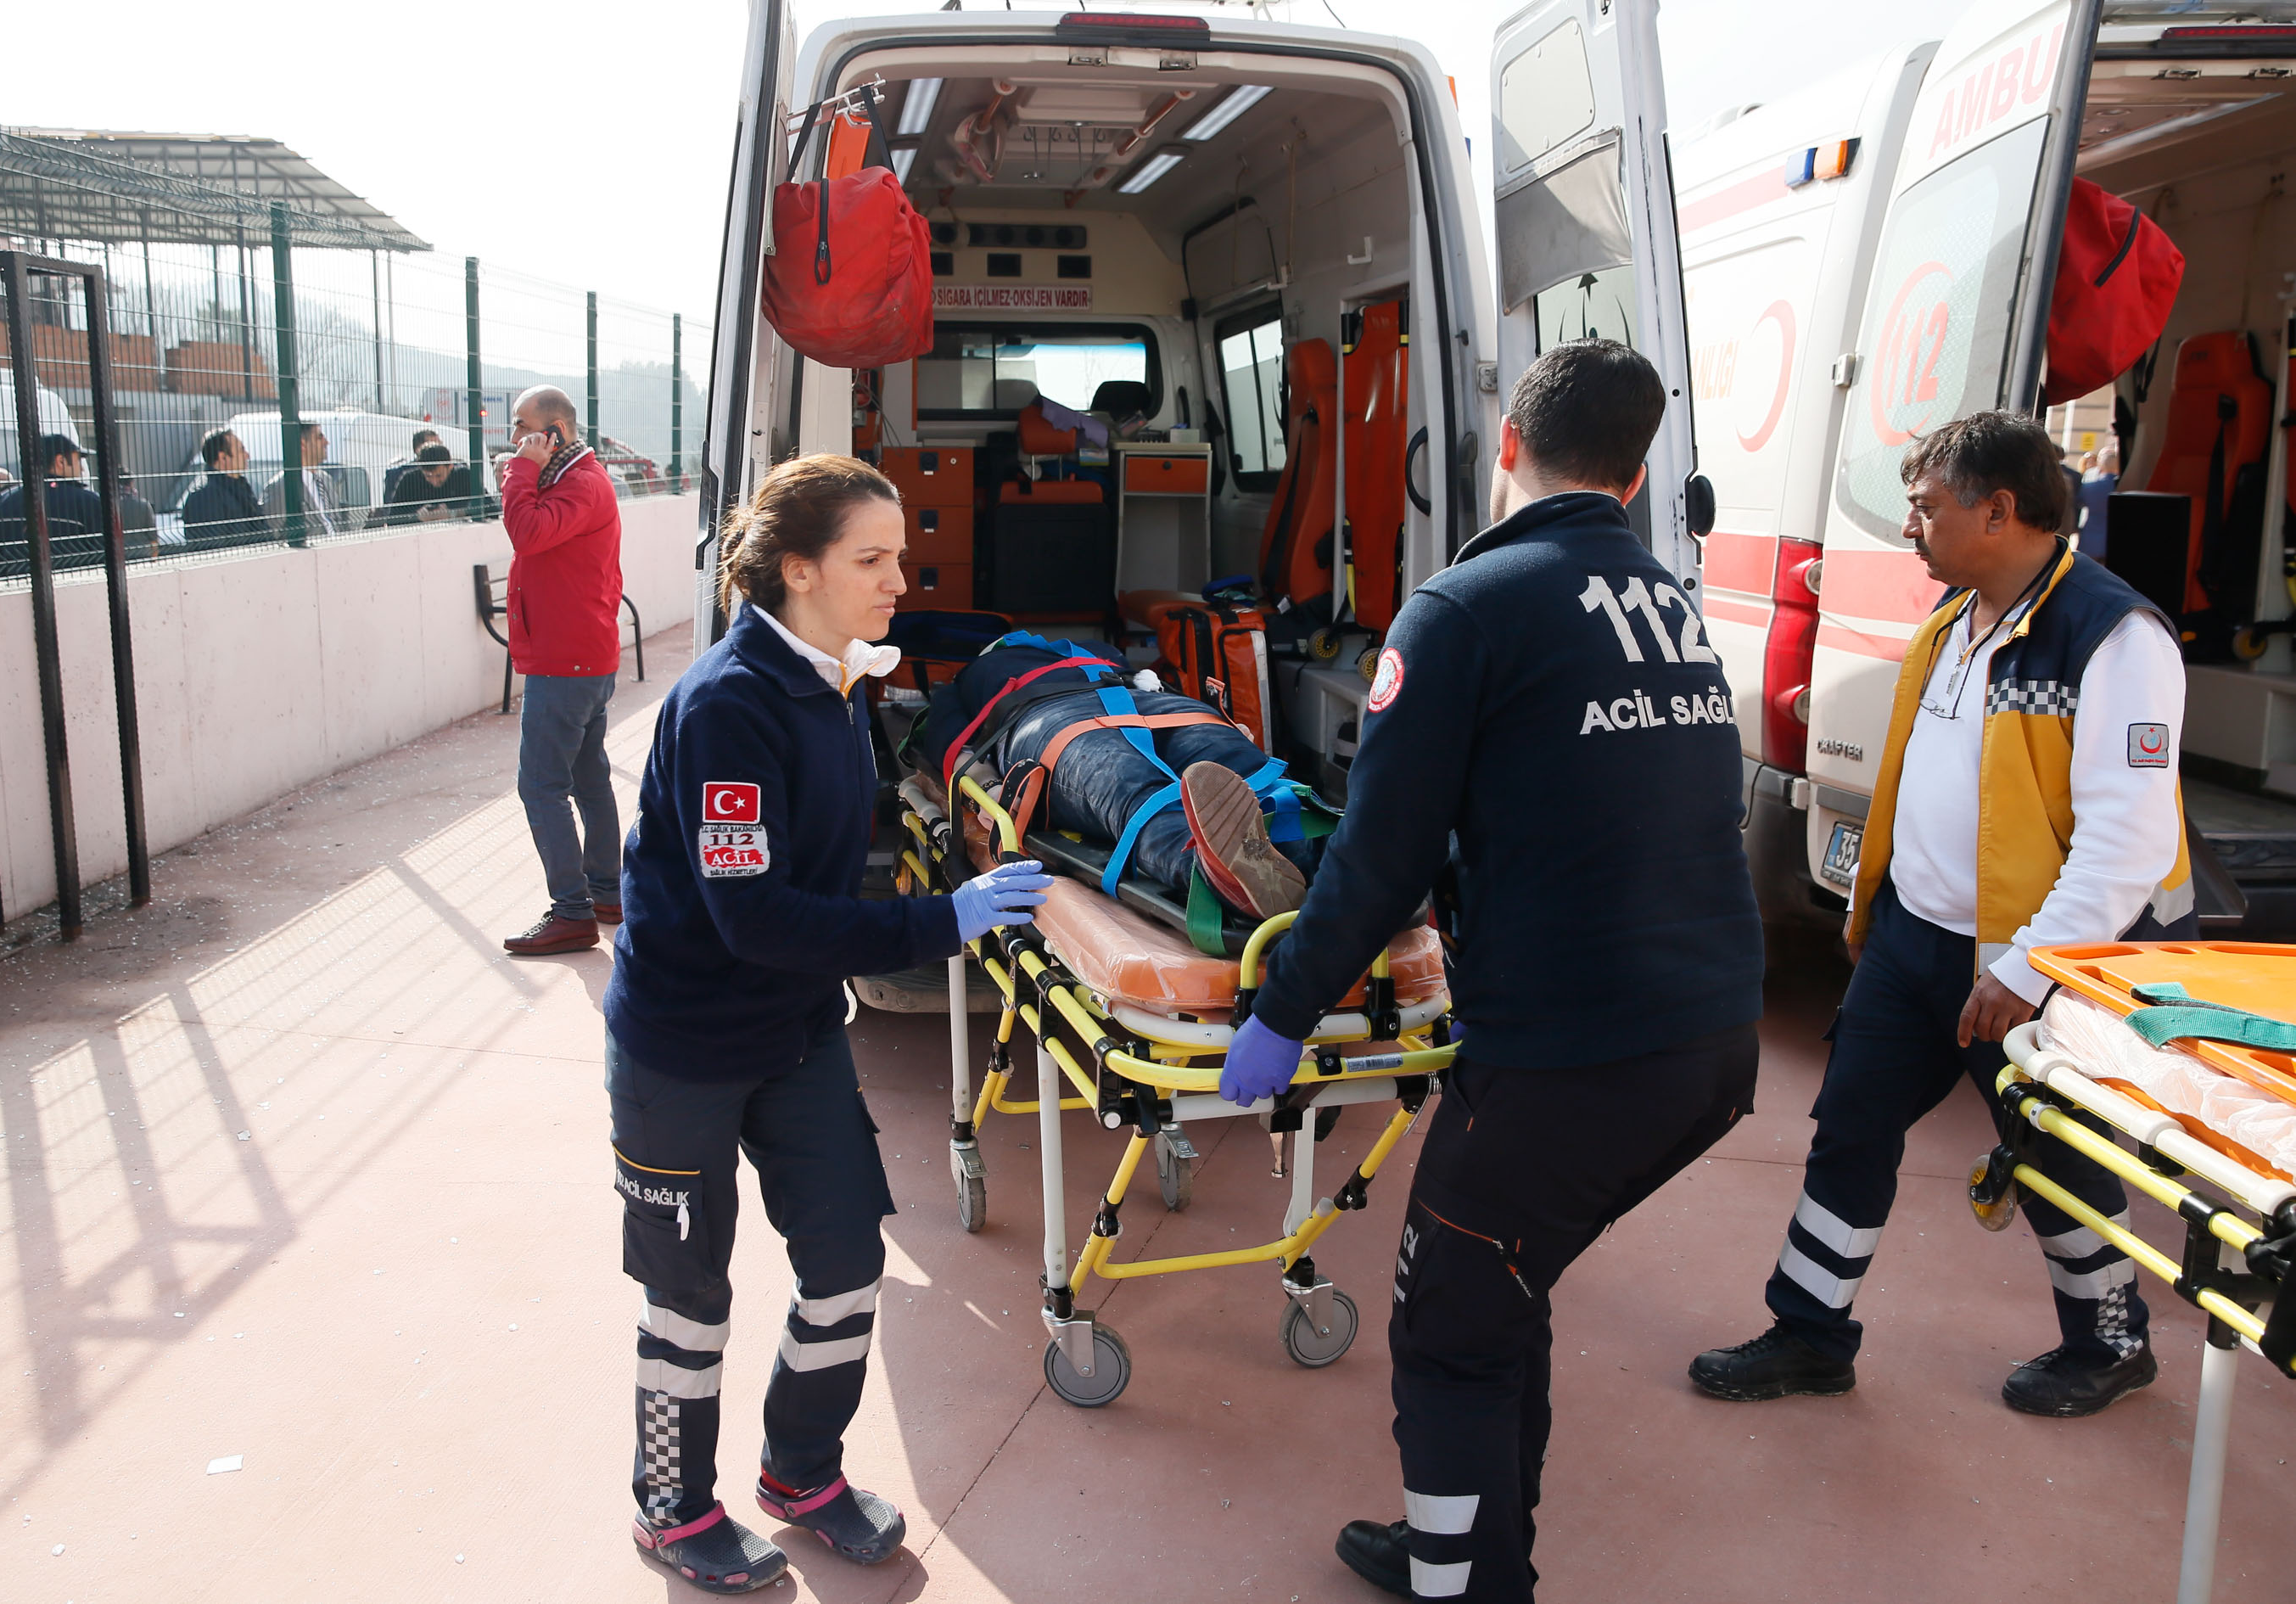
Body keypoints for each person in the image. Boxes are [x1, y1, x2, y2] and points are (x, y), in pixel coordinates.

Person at [1217, 339, 1766, 1604]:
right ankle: (1467, 1550)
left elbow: (1382, 857)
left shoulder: (1465, 607)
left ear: (1505, 445)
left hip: (1573, 1055)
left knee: (1449, 1325)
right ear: (1635, 479)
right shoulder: (1668, 604)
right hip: (1711, 1037)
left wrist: (1284, 1008)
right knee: (1501, 1284)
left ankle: (1463, 1582)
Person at [602, 453, 1050, 1593]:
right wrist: (942, 921)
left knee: (847, 1260)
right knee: (688, 1298)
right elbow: (752, 915)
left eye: (899, 555)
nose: (900, 579)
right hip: (683, 1046)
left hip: (794, 1032)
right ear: (797, 570)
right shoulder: (727, 706)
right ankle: (670, 1507)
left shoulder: (835, 680)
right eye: (872, 559)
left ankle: (799, 1471)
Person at [1690, 410, 2193, 1419]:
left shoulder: (2115, 640)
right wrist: (1875, 911)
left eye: (1924, 508)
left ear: (1998, 510)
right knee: (1852, 1125)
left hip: (2032, 963)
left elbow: (2127, 844)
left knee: (2050, 1153)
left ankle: (2112, 1342)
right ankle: (1811, 1333)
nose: (1909, 528)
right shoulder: (1955, 620)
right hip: (1915, 940)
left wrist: (2028, 969)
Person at [916, 631, 1322, 917]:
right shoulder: (1091, 649)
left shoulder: (975, 673)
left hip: (1064, 722)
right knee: (1244, 775)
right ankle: (1316, 854)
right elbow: (948, 742)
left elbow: (948, 742)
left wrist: (987, 786)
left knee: (1136, 794)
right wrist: (989, 789)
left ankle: (1229, 868)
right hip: (1150, 709)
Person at [500, 386, 629, 956]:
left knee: (540, 786)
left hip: (567, 663)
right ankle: (606, 894)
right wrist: (526, 474)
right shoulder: (571, 479)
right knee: (587, 780)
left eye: (522, 426)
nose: (514, 438)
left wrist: (520, 473)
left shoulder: (580, 484)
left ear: (552, 432)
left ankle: (573, 912)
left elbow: (526, 534)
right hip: (577, 656)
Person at [0, 434, 105, 579]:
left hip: (12, 582)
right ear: (61, 461)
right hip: (74, 581)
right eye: (78, 460)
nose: (82, 469)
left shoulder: (2, 501)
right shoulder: (88, 501)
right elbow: (103, 552)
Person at [182, 429, 269, 547]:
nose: (247, 456)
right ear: (223, 458)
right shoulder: (204, 498)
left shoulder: (241, 489)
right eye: (241, 450)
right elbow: (212, 548)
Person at [264, 421, 344, 537]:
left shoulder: (326, 479)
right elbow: (273, 533)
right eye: (319, 437)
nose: (327, 442)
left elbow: (338, 521)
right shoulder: (280, 487)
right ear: (302, 444)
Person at [372, 443, 468, 527]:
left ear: (450, 466)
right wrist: (417, 517)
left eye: (439, 476)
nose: (434, 481)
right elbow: (393, 518)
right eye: (428, 476)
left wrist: (452, 514)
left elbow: (477, 505)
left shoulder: (463, 476)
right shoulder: (409, 480)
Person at [2076, 440, 2120, 564]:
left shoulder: (2089, 487)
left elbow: (2078, 503)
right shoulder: (2125, 487)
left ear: (2100, 466)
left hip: (2090, 538)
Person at [117, 474, 159, 560]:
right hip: (143, 551)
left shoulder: (112, 506)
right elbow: (152, 533)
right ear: (132, 483)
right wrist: (154, 555)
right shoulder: (143, 504)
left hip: (120, 554)